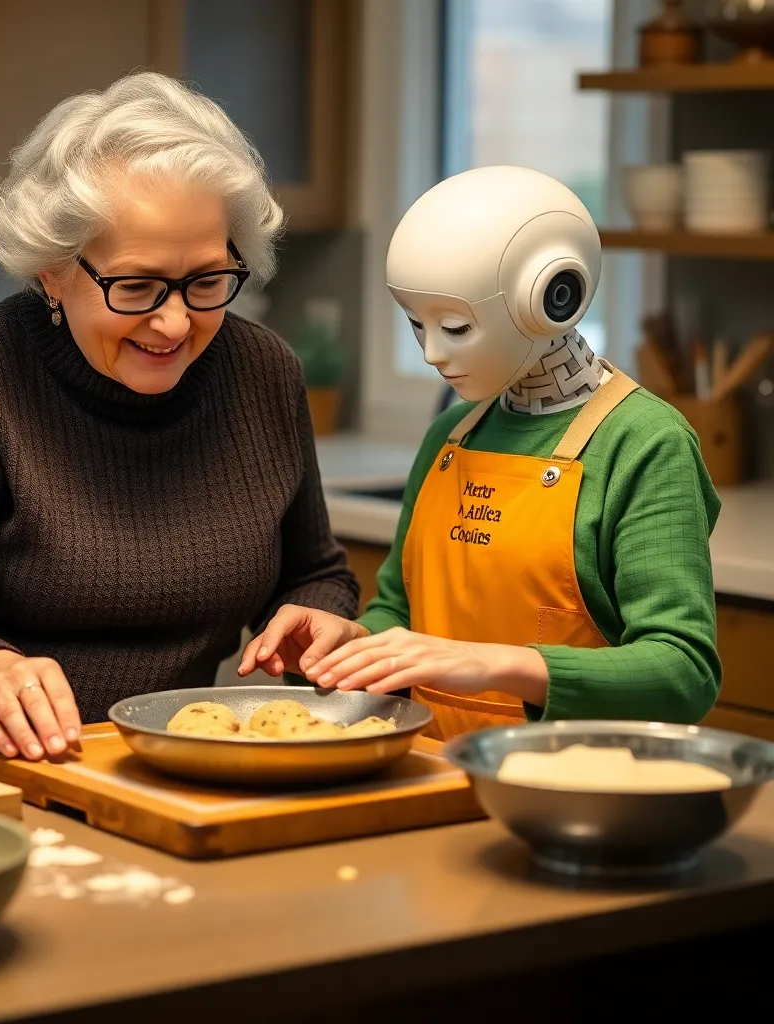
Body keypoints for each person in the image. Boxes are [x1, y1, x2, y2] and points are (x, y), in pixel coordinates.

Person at [0, 72, 358, 758]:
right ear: (53, 274)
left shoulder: (264, 372)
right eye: (137, 286)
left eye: (208, 281)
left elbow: (314, 573)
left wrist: (320, 619)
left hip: (152, 765)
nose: (175, 322)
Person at [239, 165, 721, 739]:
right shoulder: (450, 436)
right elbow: (399, 609)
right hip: (434, 773)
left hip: (582, 784)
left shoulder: (646, 443)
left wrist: (494, 662)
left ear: (552, 298)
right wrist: (355, 648)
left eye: (457, 327)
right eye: (418, 325)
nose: (432, 354)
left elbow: (684, 674)